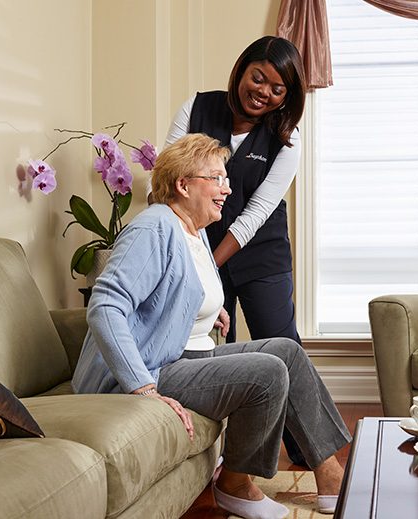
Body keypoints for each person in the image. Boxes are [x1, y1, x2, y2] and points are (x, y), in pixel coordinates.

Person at [73, 134, 351, 518]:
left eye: (226, 179)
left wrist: (202, 311)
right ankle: (234, 484)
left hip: (181, 353)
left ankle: (328, 469)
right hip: (150, 368)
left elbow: (175, 289)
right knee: (267, 372)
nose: (228, 188)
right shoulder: (152, 229)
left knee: (286, 351)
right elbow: (105, 305)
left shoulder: (195, 229)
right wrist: (143, 388)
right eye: (217, 179)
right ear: (183, 185)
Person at [160, 35, 310, 467]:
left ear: (287, 96)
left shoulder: (287, 139)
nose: (263, 91)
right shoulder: (197, 108)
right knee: (218, 349)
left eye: (277, 88)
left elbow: (257, 212)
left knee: (281, 345)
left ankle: (304, 452)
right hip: (198, 241)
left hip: (259, 251)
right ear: (242, 70)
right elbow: (168, 179)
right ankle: (229, 457)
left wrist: (206, 260)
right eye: (258, 78)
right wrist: (185, 253)